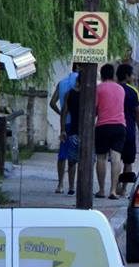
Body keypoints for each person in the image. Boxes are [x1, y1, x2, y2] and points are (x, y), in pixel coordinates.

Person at [94, 63, 126, 199]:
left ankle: (101, 189)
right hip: (119, 125)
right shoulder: (120, 89)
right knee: (116, 158)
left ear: (101, 74)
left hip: (103, 125)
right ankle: (113, 190)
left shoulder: (98, 89)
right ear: (113, 75)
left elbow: (94, 108)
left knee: (101, 158)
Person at [49, 64, 79, 194]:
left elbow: (52, 103)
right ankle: (72, 186)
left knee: (62, 155)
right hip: (76, 124)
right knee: (73, 157)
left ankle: (60, 184)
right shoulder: (81, 81)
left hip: (64, 122)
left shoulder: (61, 83)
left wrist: (60, 113)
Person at [115, 64, 139, 196]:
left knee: (116, 159)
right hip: (130, 130)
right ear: (127, 76)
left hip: (116, 127)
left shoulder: (114, 89)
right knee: (128, 161)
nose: (133, 77)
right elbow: (138, 112)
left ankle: (114, 185)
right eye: (132, 75)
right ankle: (123, 188)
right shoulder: (133, 91)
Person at [58, 68, 82, 196]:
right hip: (86, 133)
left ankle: (72, 187)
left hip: (72, 130)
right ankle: (80, 186)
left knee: (72, 161)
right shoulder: (90, 94)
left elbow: (64, 113)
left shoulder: (70, 93)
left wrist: (62, 130)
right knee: (85, 161)